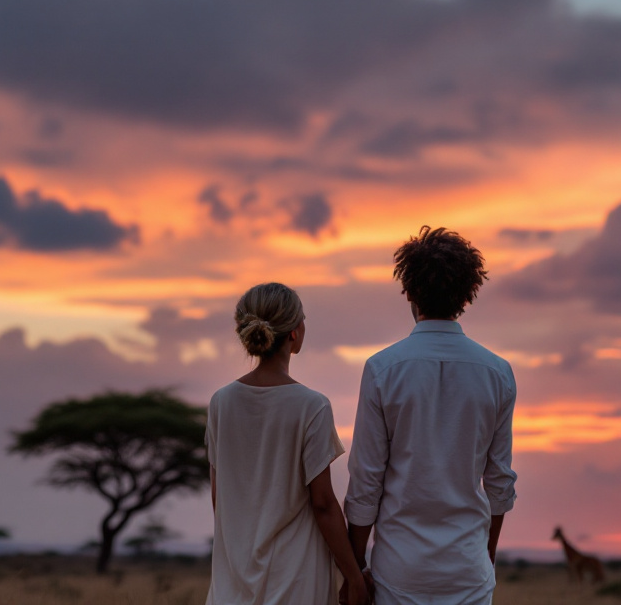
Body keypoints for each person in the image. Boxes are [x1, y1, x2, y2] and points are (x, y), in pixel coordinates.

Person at [344, 226, 518, 605]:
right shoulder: (498, 372)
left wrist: (355, 566)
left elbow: (366, 480)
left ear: (408, 289)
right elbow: (499, 482)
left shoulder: (382, 369)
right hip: (468, 570)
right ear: (468, 293)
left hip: (399, 571)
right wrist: (485, 555)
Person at [206, 282, 369, 605]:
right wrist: (354, 575)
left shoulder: (221, 403)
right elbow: (323, 504)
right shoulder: (311, 406)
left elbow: (219, 496)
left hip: (232, 586)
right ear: (294, 332)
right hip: (295, 582)